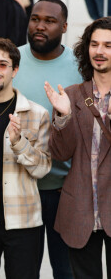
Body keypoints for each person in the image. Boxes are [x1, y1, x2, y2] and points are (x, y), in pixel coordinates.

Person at [0, 0, 82, 278]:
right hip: (19, 192)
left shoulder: (79, 67)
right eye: (35, 19)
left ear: (64, 26)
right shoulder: (11, 62)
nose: (40, 26)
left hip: (64, 191)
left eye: (49, 21)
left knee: (67, 271)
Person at [0, 37, 51, 279]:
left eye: (3, 64)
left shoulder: (37, 114)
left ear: (15, 70)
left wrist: (18, 142)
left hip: (24, 221)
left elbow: (43, 168)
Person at [44, 16, 111, 279]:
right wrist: (62, 117)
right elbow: (60, 154)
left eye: (108, 45)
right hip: (80, 210)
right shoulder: (70, 95)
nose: (100, 51)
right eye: (94, 44)